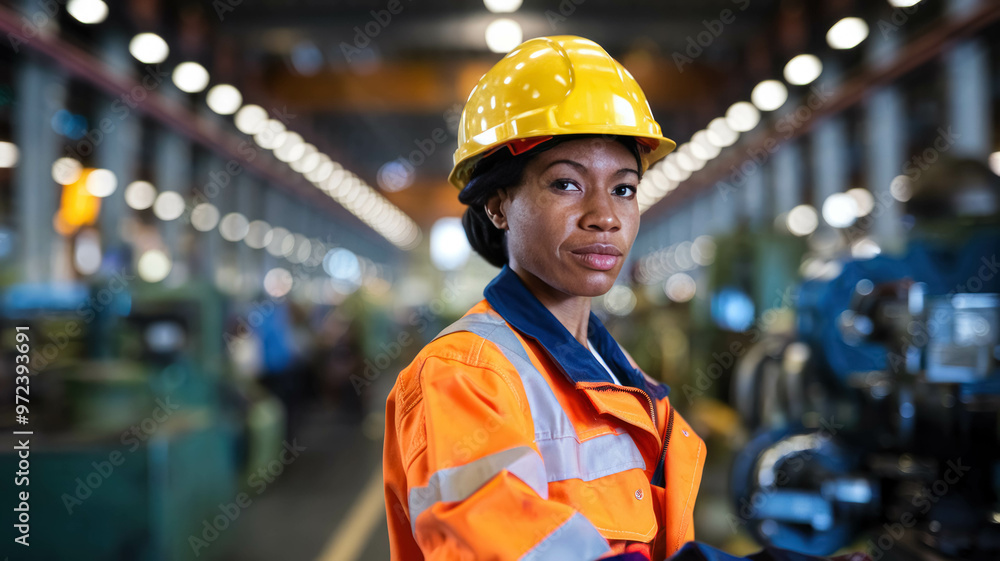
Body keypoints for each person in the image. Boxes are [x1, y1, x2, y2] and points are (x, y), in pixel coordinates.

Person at [382, 35, 702, 560]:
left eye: (623, 188)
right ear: (499, 205)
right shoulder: (463, 376)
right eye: (566, 184)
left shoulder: (617, 372)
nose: (605, 216)